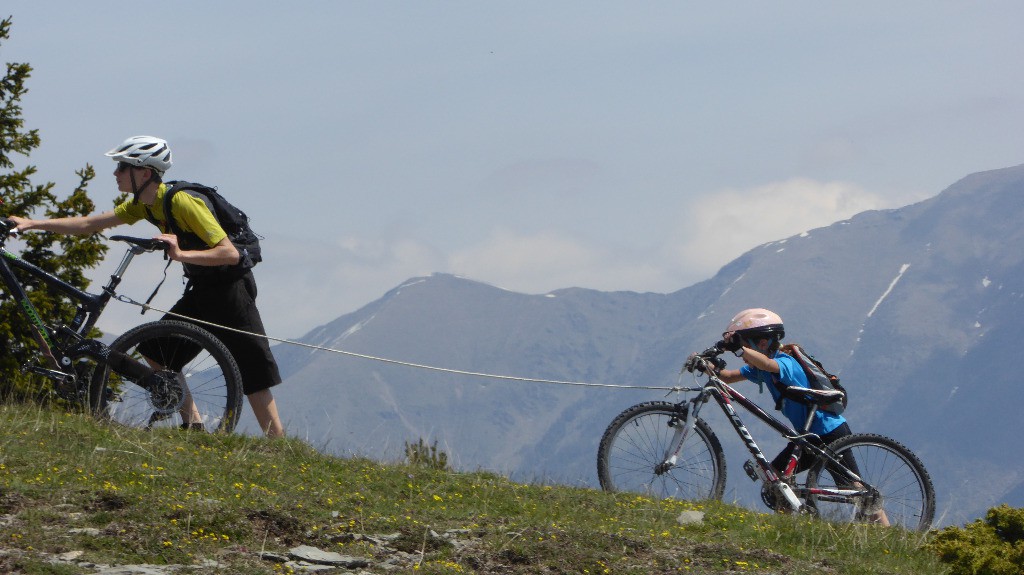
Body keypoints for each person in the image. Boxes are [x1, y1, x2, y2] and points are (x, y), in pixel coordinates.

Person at [9, 135, 285, 437]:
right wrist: (32, 223)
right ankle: (193, 425)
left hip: (232, 289)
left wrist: (181, 254)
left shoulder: (182, 201)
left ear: (144, 172)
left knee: (254, 369)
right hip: (203, 288)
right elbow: (90, 224)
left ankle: (278, 445)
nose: (115, 174)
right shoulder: (146, 205)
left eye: (122, 167)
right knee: (156, 349)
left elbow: (229, 253)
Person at [709, 308, 888, 525]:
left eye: (746, 345)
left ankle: (886, 532)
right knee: (777, 481)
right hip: (807, 436)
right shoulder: (761, 368)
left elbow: (768, 365)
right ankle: (786, 529)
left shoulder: (785, 363)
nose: (744, 352)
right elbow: (728, 377)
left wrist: (738, 350)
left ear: (763, 343)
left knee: (855, 489)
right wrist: (705, 364)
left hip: (829, 431)